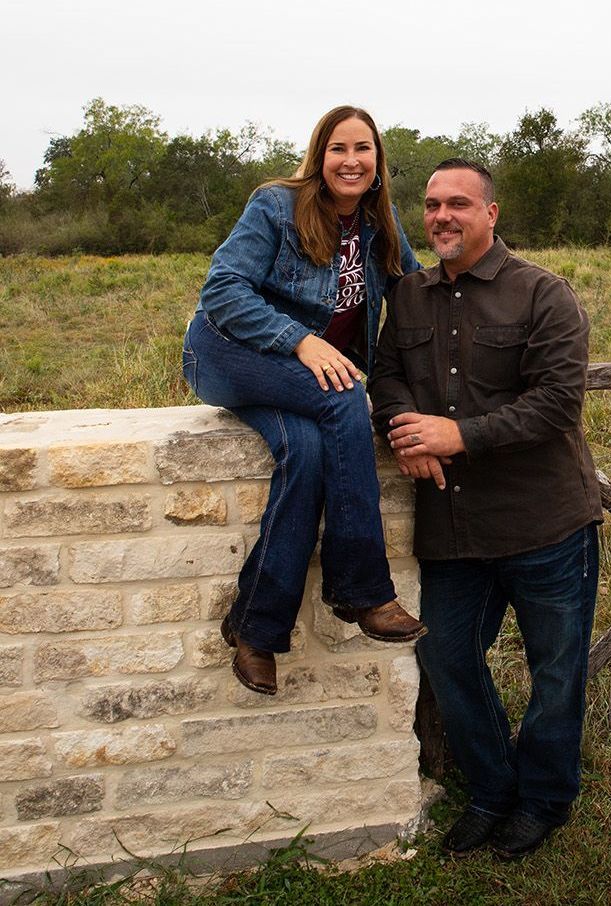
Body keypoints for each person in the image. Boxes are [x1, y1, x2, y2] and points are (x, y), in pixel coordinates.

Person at [369, 159, 604, 858]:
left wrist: (459, 435)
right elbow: (384, 376)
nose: (442, 216)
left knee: (555, 672)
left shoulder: (543, 294)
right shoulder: (405, 297)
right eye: (433, 205)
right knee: (447, 658)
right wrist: (404, 429)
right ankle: (492, 791)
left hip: (545, 523)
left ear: (491, 214)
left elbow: (559, 403)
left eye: (459, 204)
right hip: (453, 527)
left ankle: (545, 800)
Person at [182, 106, 426, 697]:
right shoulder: (276, 205)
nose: (351, 160)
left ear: (378, 161)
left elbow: (418, 295)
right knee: (344, 399)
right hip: (227, 354)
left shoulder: (381, 222)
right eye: (338, 148)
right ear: (320, 155)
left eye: (363, 149)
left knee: (311, 453)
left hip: (299, 383)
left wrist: (488, 285)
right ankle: (362, 589)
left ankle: (255, 628)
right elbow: (222, 290)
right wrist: (299, 340)